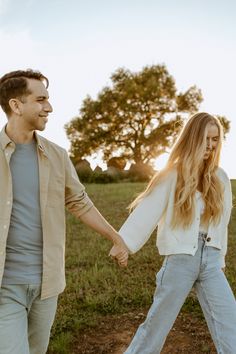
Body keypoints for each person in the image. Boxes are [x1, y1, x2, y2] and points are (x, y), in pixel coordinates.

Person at [0, 69, 128, 354]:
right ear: (16, 105)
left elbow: (79, 201)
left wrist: (115, 237)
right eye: (41, 99)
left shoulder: (57, 155)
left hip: (48, 283)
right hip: (5, 285)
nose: (49, 107)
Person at [110, 112, 236, 353]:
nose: (210, 145)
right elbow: (147, 211)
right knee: (156, 328)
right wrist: (122, 243)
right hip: (180, 261)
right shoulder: (172, 174)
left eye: (215, 139)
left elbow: (223, 223)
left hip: (210, 262)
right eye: (206, 139)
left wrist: (219, 259)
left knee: (231, 325)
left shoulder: (220, 177)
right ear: (193, 138)